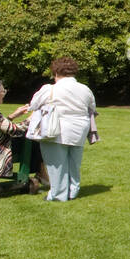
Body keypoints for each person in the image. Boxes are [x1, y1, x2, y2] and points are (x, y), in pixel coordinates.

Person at [28, 57, 97, 202]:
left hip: (55, 128)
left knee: (56, 164)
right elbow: (92, 108)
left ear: (55, 72)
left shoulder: (50, 88)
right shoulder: (85, 89)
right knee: (74, 163)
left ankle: (58, 195)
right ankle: (73, 191)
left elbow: (33, 105)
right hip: (79, 128)